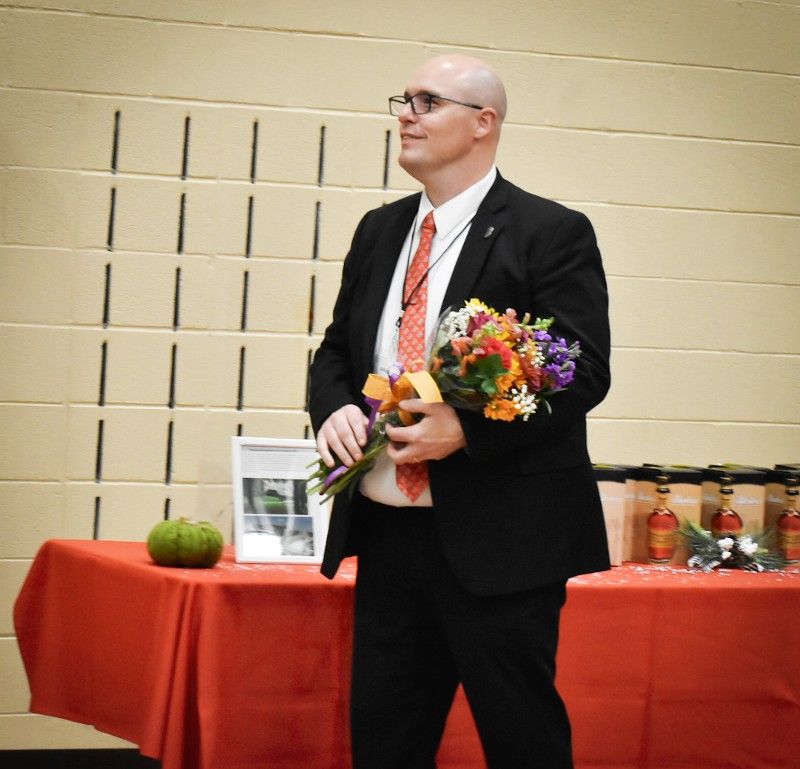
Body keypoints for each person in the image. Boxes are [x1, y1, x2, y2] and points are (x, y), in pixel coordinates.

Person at [308, 54, 611, 769]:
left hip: (501, 538)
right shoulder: (379, 231)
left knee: (521, 737)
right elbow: (336, 354)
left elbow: (585, 371)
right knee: (385, 738)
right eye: (403, 99)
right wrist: (334, 411)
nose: (406, 113)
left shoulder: (550, 232)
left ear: (484, 124)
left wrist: (466, 429)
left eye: (427, 100)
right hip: (387, 531)